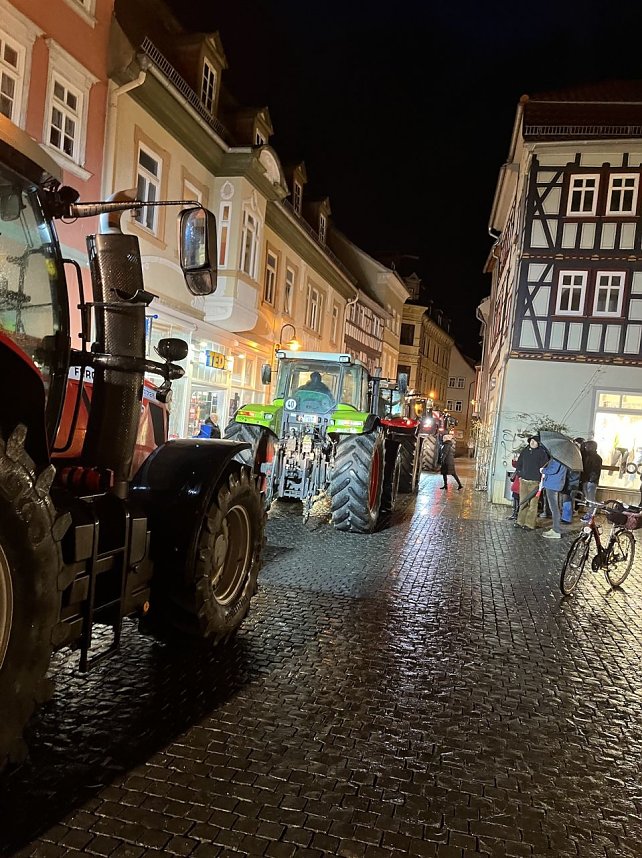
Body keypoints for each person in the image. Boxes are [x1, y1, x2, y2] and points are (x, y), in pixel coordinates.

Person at [514, 435, 549, 530]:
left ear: (538, 443)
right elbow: (519, 463)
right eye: (531, 441)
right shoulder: (525, 451)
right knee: (523, 502)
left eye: (535, 441)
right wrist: (520, 474)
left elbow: (545, 467)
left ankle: (529, 524)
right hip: (524, 480)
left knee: (533, 504)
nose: (532, 442)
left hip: (535, 482)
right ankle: (520, 521)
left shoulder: (542, 453)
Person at [540, 457, 568, 539]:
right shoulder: (563, 458)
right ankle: (555, 529)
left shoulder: (558, 458)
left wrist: (543, 470)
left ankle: (556, 531)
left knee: (554, 509)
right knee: (555, 508)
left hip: (553, 485)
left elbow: (553, 470)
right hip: (555, 484)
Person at [581, 440, 603, 522]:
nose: (586, 448)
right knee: (588, 498)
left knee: (591, 498)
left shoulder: (596, 458)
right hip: (587, 480)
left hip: (591, 481)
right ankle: (589, 514)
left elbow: (594, 471)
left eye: (587, 446)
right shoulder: (588, 456)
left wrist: (591, 480)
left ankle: (590, 515)